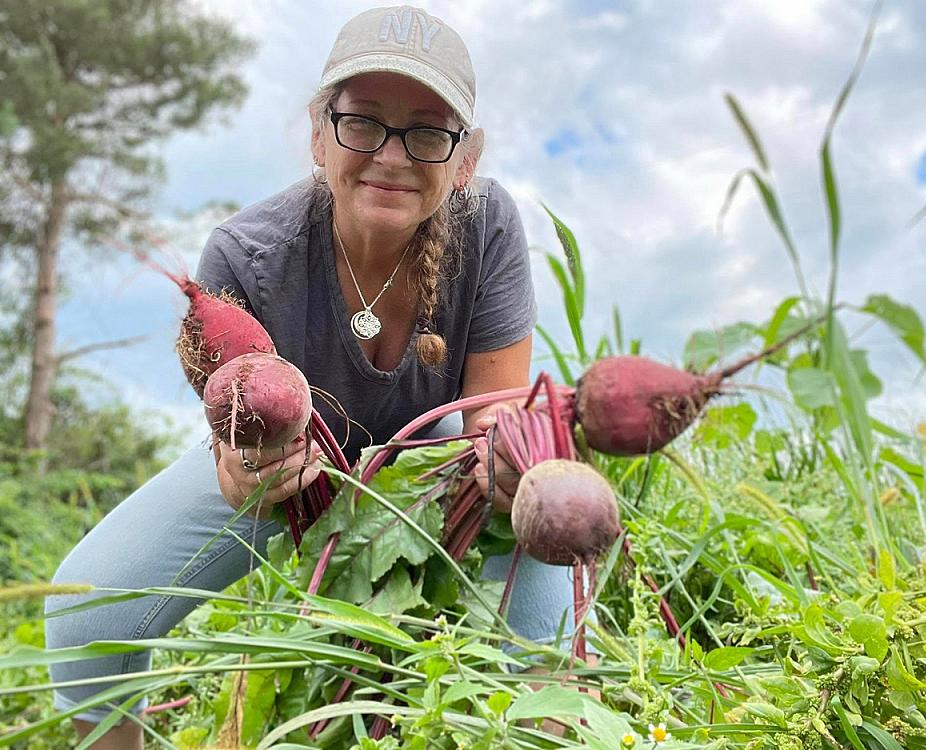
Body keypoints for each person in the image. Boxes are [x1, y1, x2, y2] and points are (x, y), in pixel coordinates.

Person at [44, 5, 582, 748]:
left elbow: (492, 417)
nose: (391, 156)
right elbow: (238, 444)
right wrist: (244, 475)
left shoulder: (487, 225)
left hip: (444, 468)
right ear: (319, 135)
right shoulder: (242, 255)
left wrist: (506, 466)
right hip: (296, 477)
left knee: (544, 646)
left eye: (427, 132)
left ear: (464, 160)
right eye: (362, 122)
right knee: (84, 612)